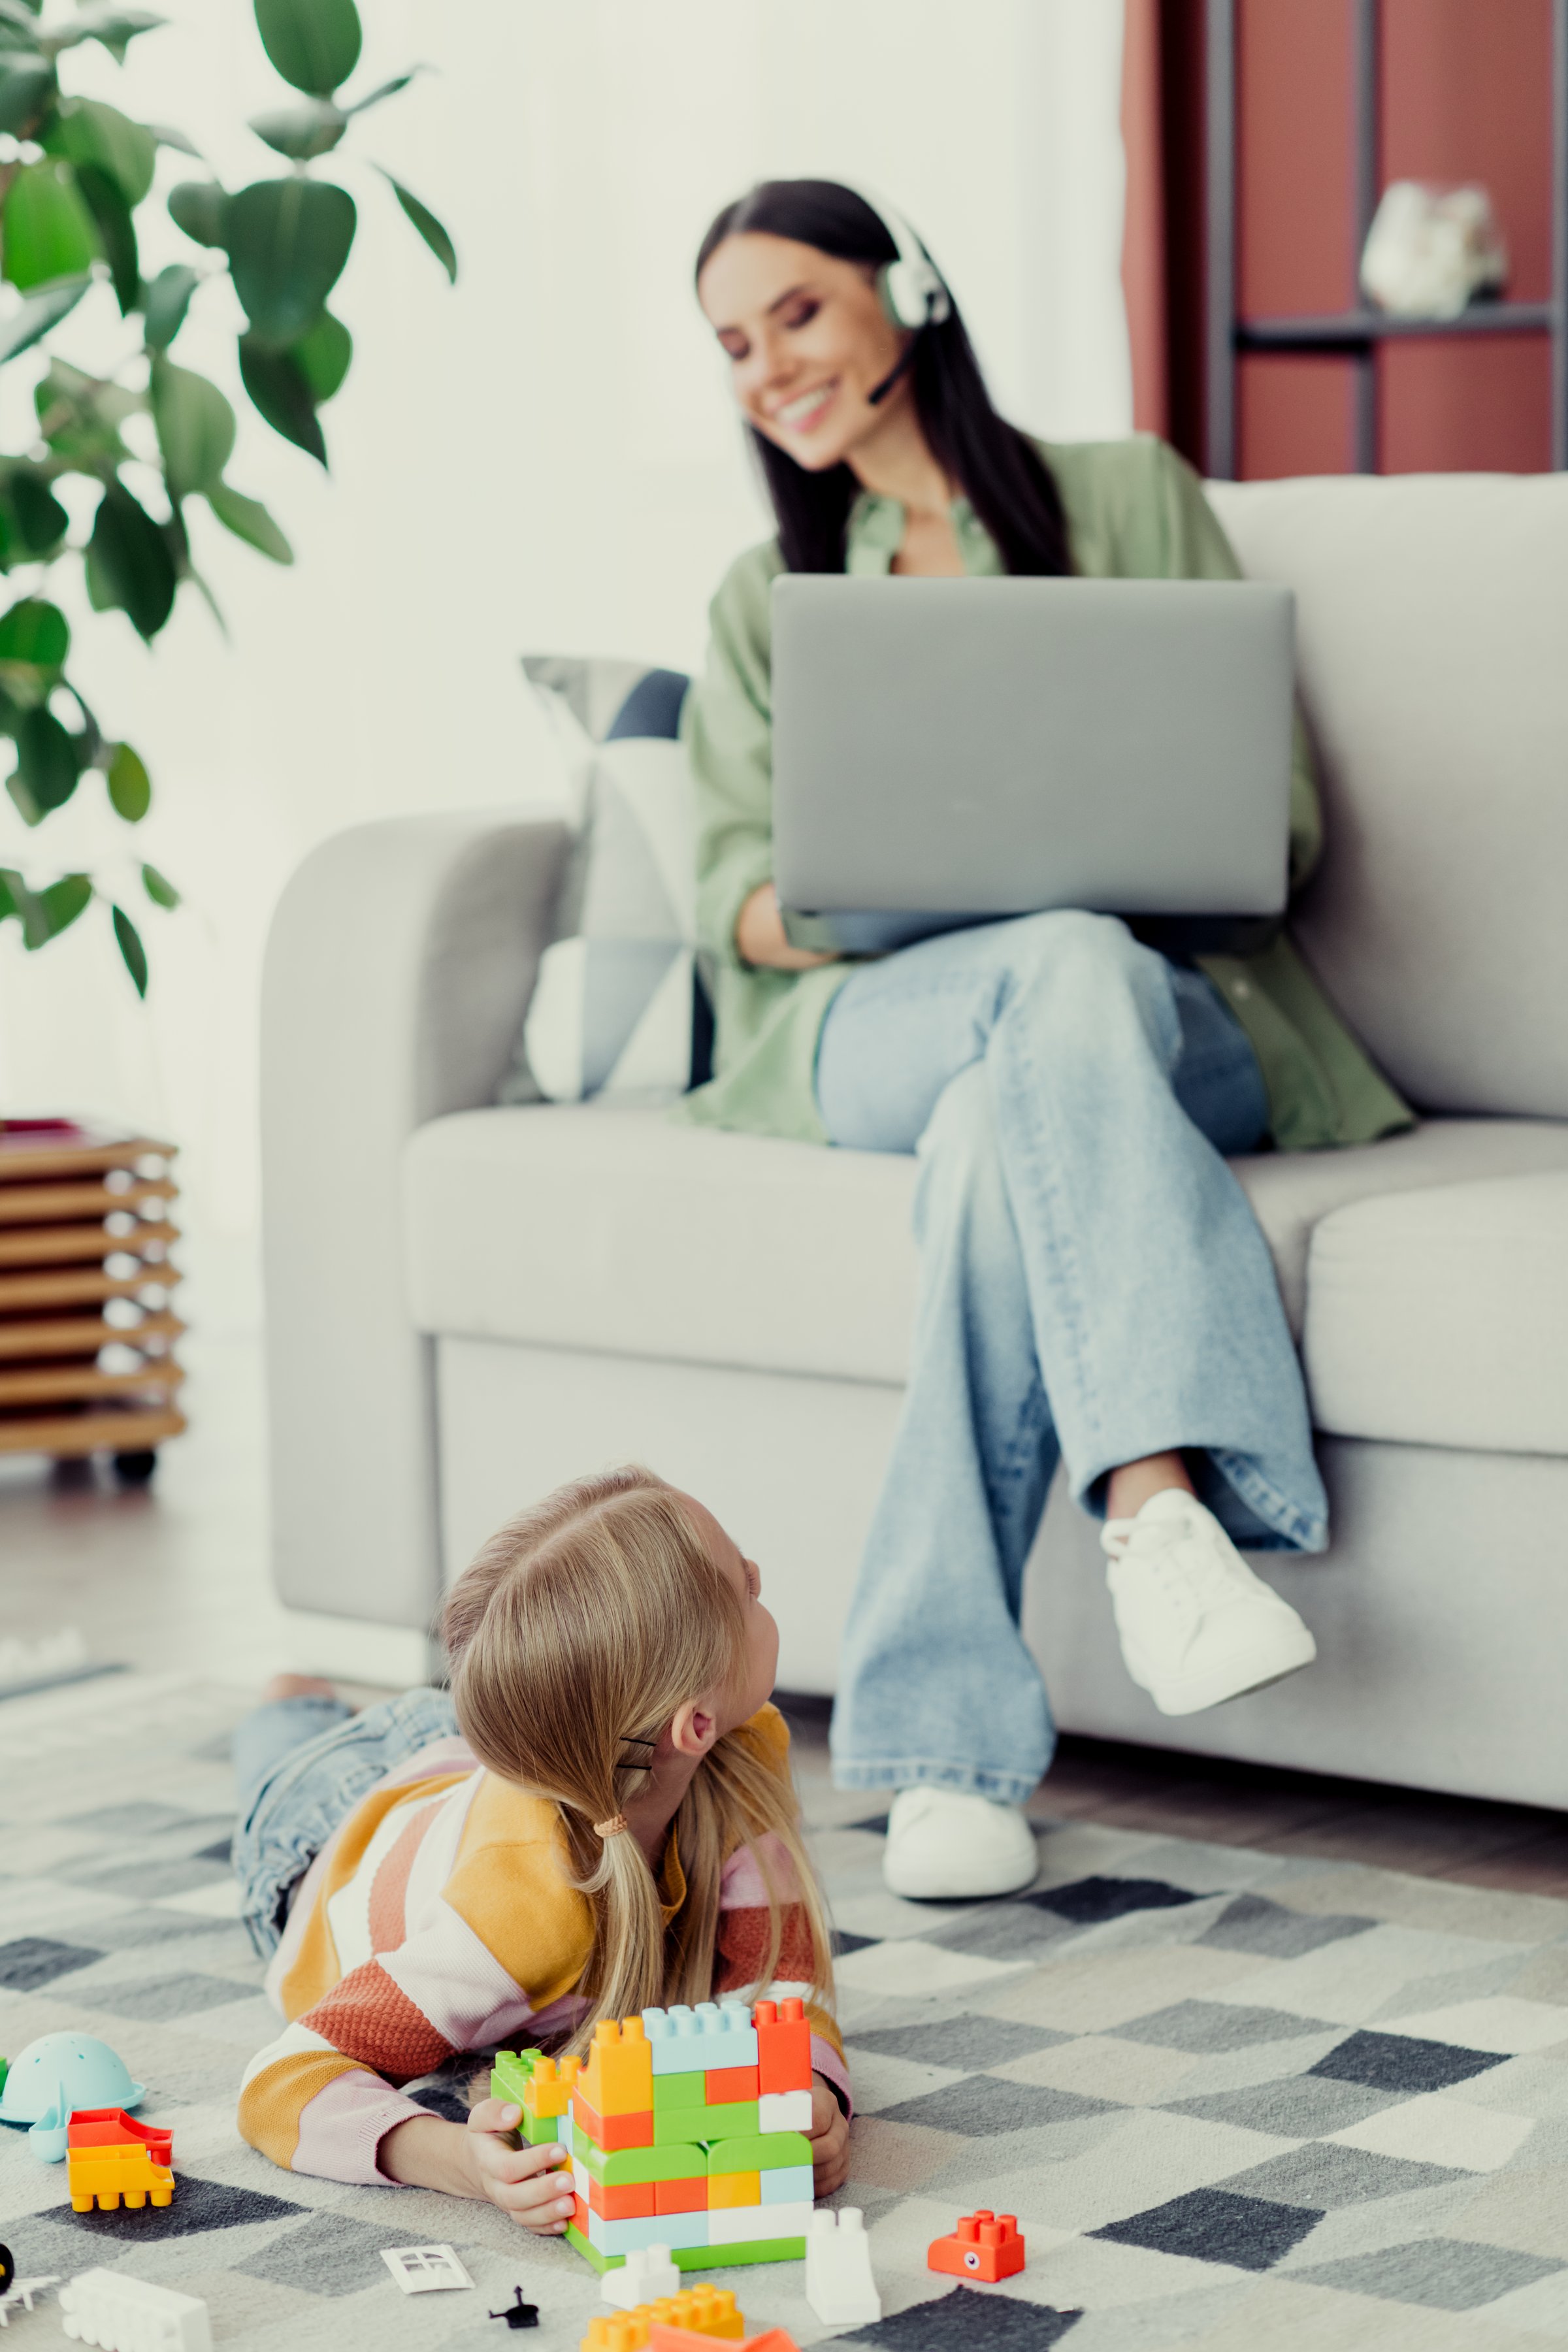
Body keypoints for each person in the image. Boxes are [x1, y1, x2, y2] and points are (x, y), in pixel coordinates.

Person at [680, 181, 1411, 1904]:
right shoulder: (760, 594)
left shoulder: (1129, 500)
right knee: (1036, 981)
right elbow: (735, 894)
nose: (769, 366)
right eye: (731, 344)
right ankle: (1159, 1511)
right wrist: (907, 890)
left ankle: (947, 1742)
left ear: (903, 292)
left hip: (1165, 1019)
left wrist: (1083, 876)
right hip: (873, 1021)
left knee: (1033, 1056)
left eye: (794, 311)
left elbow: (1278, 835)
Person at [231, 1468, 851, 2219]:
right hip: (324, 1822)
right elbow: (280, 2081)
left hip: (479, 1756)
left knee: (416, 1739)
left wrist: (812, 2093)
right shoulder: (504, 1924)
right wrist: (457, 2159)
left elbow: (782, 1983)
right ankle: (290, 1699)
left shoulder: (742, 1754)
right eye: (744, 1586)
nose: (760, 1577)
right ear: (693, 1725)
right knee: (286, 1737)